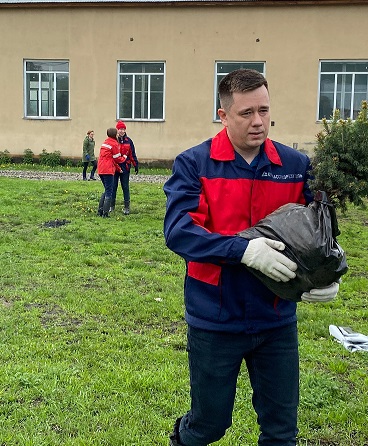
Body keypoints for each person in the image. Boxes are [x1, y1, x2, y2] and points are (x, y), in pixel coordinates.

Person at [163, 69, 340, 446]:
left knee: (281, 431)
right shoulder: (195, 164)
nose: (258, 121)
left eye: (264, 110)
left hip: (276, 318)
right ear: (223, 115)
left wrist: (327, 273)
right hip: (215, 318)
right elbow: (179, 232)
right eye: (246, 113)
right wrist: (243, 251)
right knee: (209, 425)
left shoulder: (295, 166)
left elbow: (319, 230)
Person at [97, 128, 127, 218]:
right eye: (117, 133)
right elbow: (117, 158)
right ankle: (105, 213)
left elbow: (110, 158)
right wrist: (124, 157)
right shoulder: (114, 144)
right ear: (114, 134)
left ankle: (100, 211)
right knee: (109, 191)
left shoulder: (105, 142)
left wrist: (118, 169)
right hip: (108, 170)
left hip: (101, 168)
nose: (118, 135)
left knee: (106, 190)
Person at [111, 120, 139, 215]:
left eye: (123, 129)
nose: (122, 131)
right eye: (120, 129)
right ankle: (111, 206)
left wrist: (135, 164)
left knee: (125, 187)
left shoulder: (129, 141)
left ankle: (127, 207)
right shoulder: (113, 140)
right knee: (113, 187)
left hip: (125, 167)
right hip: (115, 167)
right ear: (117, 130)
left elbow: (132, 154)